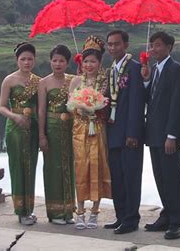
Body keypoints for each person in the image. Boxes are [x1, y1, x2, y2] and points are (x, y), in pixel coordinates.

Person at [140, 31, 180, 240]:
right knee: (160, 177)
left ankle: (177, 222)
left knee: (173, 177)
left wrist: (172, 135)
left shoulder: (176, 70)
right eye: (152, 45)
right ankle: (166, 215)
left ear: (169, 47)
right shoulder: (155, 70)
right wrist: (145, 80)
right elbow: (150, 100)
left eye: (158, 45)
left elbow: (178, 105)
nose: (153, 49)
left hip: (167, 136)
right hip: (153, 133)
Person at [68, 35, 112, 230]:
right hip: (79, 129)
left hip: (98, 128)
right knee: (81, 167)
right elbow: (69, 106)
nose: (89, 65)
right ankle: (79, 212)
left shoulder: (105, 80)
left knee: (98, 165)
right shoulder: (76, 80)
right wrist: (81, 107)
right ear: (81, 62)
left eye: (93, 61)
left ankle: (95, 212)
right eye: (86, 61)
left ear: (99, 62)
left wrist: (96, 108)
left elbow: (109, 104)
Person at [104, 30, 145, 234]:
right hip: (113, 132)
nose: (112, 48)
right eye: (110, 44)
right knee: (117, 178)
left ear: (126, 45)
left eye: (116, 44)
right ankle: (121, 216)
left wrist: (133, 133)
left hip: (129, 135)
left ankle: (131, 219)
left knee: (131, 178)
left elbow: (137, 104)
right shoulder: (111, 69)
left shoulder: (135, 68)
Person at [0, 42, 41, 225]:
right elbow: (1, 107)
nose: (26, 62)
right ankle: (20, 211)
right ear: (17, 60)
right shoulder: (9, 80)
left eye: (30, 59)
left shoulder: (39, 81)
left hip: (32, 129)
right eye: (23, 59)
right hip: (15, 129)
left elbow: (41, 108)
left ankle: (29, 210)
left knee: (30, 168)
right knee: (18, 168)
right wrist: (14, 117)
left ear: (35, 60)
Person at [38, 45, 75, 225]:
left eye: (61, 61)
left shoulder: (74, 80)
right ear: (50, 61)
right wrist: (42, 136)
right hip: (52, 129)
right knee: (53, 168)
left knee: (69, 167)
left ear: (67, 63)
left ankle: (69, 211)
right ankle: (55, 213)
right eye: (55, 60)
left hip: (69, 129)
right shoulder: (43, 82)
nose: (58, 64)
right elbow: (42, 110)